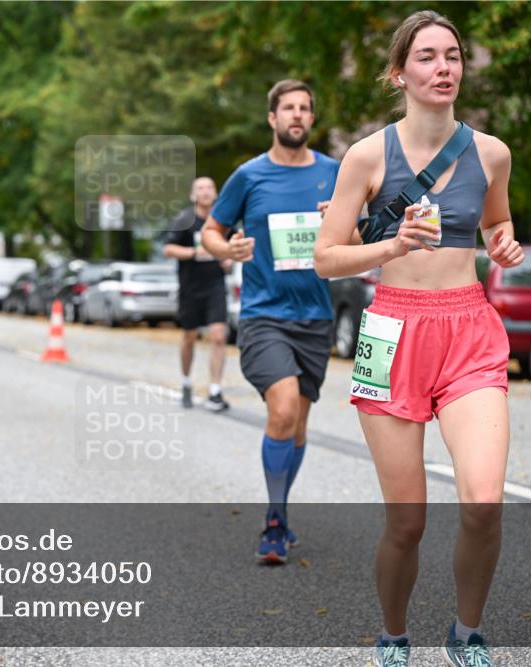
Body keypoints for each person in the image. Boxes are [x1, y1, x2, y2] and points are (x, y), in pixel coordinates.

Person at [314, 11, 524, 667]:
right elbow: (327, 256)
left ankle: (466, 633)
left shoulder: (491, 153)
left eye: (453, 55)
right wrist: (392, 243)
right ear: (400, 72)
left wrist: (502, 241)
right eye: (428, 56)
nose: (444, 67)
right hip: (390, 330)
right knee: (407, 521)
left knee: (484, 503)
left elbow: (496, 218)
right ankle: (394, 635)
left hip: (468, 329)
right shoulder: (367, 155)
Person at [201, 80, 338, 565]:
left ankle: (280, 510)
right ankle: (274, 522)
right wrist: (227, 249)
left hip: (316, 317)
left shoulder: (334, 173)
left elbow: (362, 233)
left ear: (310, 119)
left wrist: (344, 222)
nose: (297, 115)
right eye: (288, 108)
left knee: (297, 423)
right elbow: (211, 232)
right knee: (281, 410)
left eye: (305, 108)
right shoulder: (249, 176)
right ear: (272, 119)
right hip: (264, 316)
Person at [163, 177, 232, 412]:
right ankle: (185, 381)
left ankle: (215, 390)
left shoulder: (223, 221)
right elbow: (168, 249)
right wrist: (195, 252)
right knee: (189, 337)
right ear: (193, 195)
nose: (205, 192)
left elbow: (232, 250)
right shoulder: (184, 219)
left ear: (215, 193)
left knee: (219, 335)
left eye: (209, 188)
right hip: (190, 288)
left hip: (215, 286)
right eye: (200, 188)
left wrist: (228, 260)